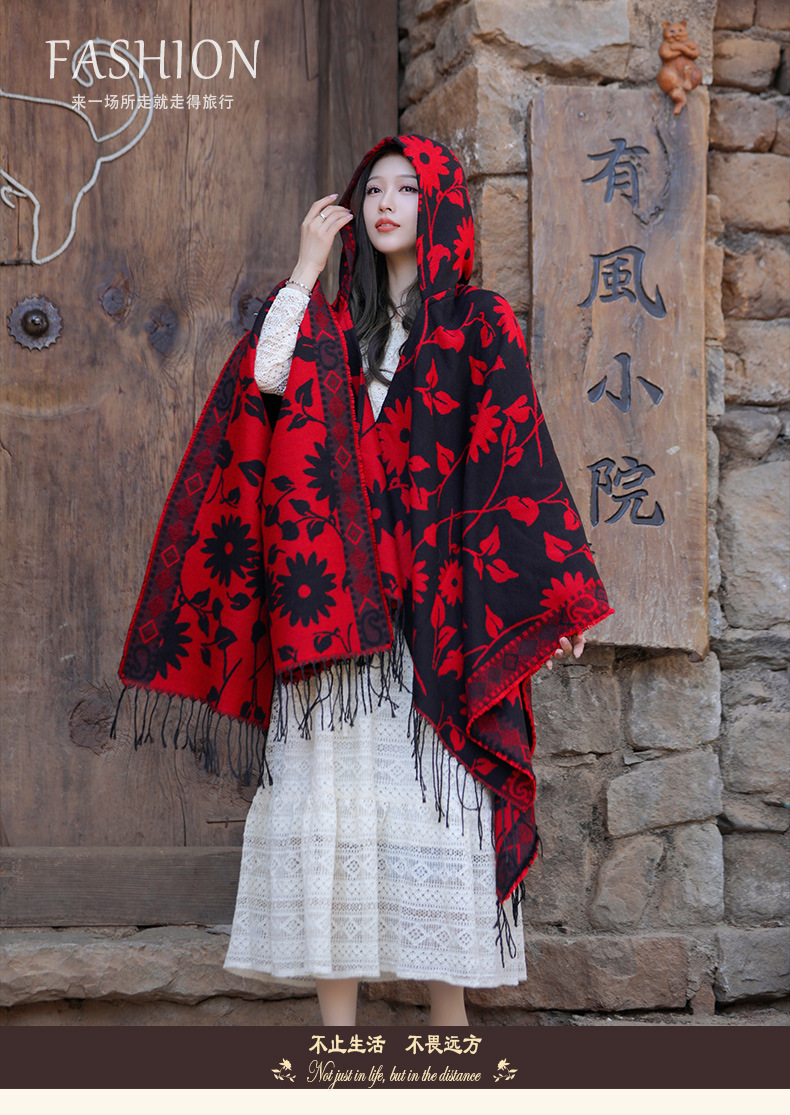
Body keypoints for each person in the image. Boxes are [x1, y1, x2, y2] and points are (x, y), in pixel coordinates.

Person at [117, 135, 612, 1028]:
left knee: (440, 819)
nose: (386, 202)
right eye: (373, 188)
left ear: (440, 205)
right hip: (336, 622)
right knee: (332, 818)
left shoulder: (478, 323)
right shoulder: (332, 329)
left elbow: (519, 454)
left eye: (407, 188)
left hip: (437, 621)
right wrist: (307, 268)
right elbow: (262, 383)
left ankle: (449, 1038)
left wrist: (558, 594)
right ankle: (338, 1046)